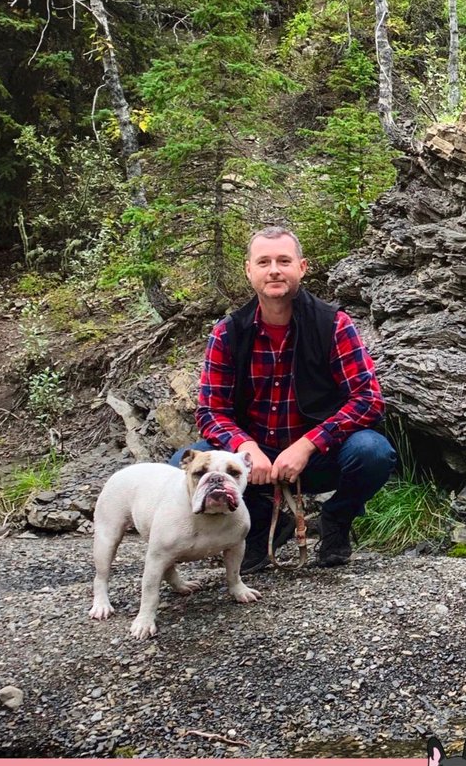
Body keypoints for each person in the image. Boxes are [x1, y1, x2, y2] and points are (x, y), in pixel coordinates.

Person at [170, 225, 396, 573]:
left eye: (284, 261)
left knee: (373, 452)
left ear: (301, 268)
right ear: (249, 270)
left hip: (318, 456)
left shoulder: (333, 324)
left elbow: (368, 399)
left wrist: (307, 445)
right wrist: (245, 448)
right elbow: (211, 411)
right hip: (253, 459)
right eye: (264, 262)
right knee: (178, 465)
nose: (274, 270)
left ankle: (337, 519)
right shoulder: (227, 333)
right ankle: (260, 524)